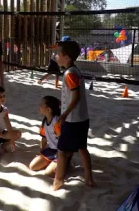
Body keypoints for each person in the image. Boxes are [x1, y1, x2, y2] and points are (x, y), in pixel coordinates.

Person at [53, 40, 95, 191]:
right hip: (82, 118)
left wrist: (63, 115)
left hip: (73, 120)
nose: (55, 56)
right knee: (82, 148)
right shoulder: (75, 70)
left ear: (66, 57)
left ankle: (58, 180)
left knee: (61, 151)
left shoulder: (69, 74)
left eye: (57, 54)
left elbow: (75, 97)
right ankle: (89, 178)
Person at [29, 96, 71, 176]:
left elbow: (64, 140)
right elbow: (44, 139)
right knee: (33, 166)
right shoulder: (45, 121)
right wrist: (41, 152)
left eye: (41, 105)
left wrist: (63, 154)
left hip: (62, 151)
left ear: (48, 109)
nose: (39, 106)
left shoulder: (57, 121)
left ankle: (66, 161)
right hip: (52, 150)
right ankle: (53, 162)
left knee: (48, 173)